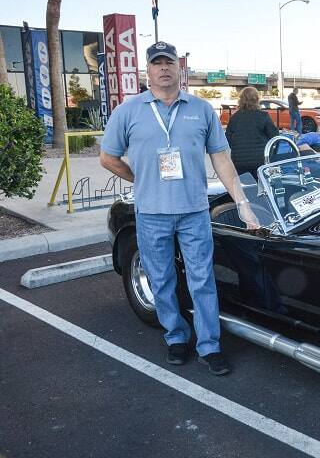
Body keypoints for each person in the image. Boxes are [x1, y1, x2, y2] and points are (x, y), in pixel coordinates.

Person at [100, 41, 252, 376]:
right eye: (157, 63)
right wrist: (138, 177)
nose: (164, 68)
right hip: (152, 213)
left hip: (194, 211)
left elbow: (222, 159)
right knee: (162, 278)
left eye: (169, 62)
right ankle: (176, 336)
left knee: (202, 279)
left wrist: (242, 203)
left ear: (179, 69)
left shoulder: (201, 110)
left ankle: (209, 346)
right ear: (148, 71)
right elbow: (108, 158)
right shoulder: (129, 111)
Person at [226, 86, 279, 178]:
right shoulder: (263, 116)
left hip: (238, 160)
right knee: (261, 188)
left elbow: (228, 137)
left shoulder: (234, 118)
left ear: (241, 100)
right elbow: (274, 137)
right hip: (260, 160)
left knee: (244, 188)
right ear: (257, 99)